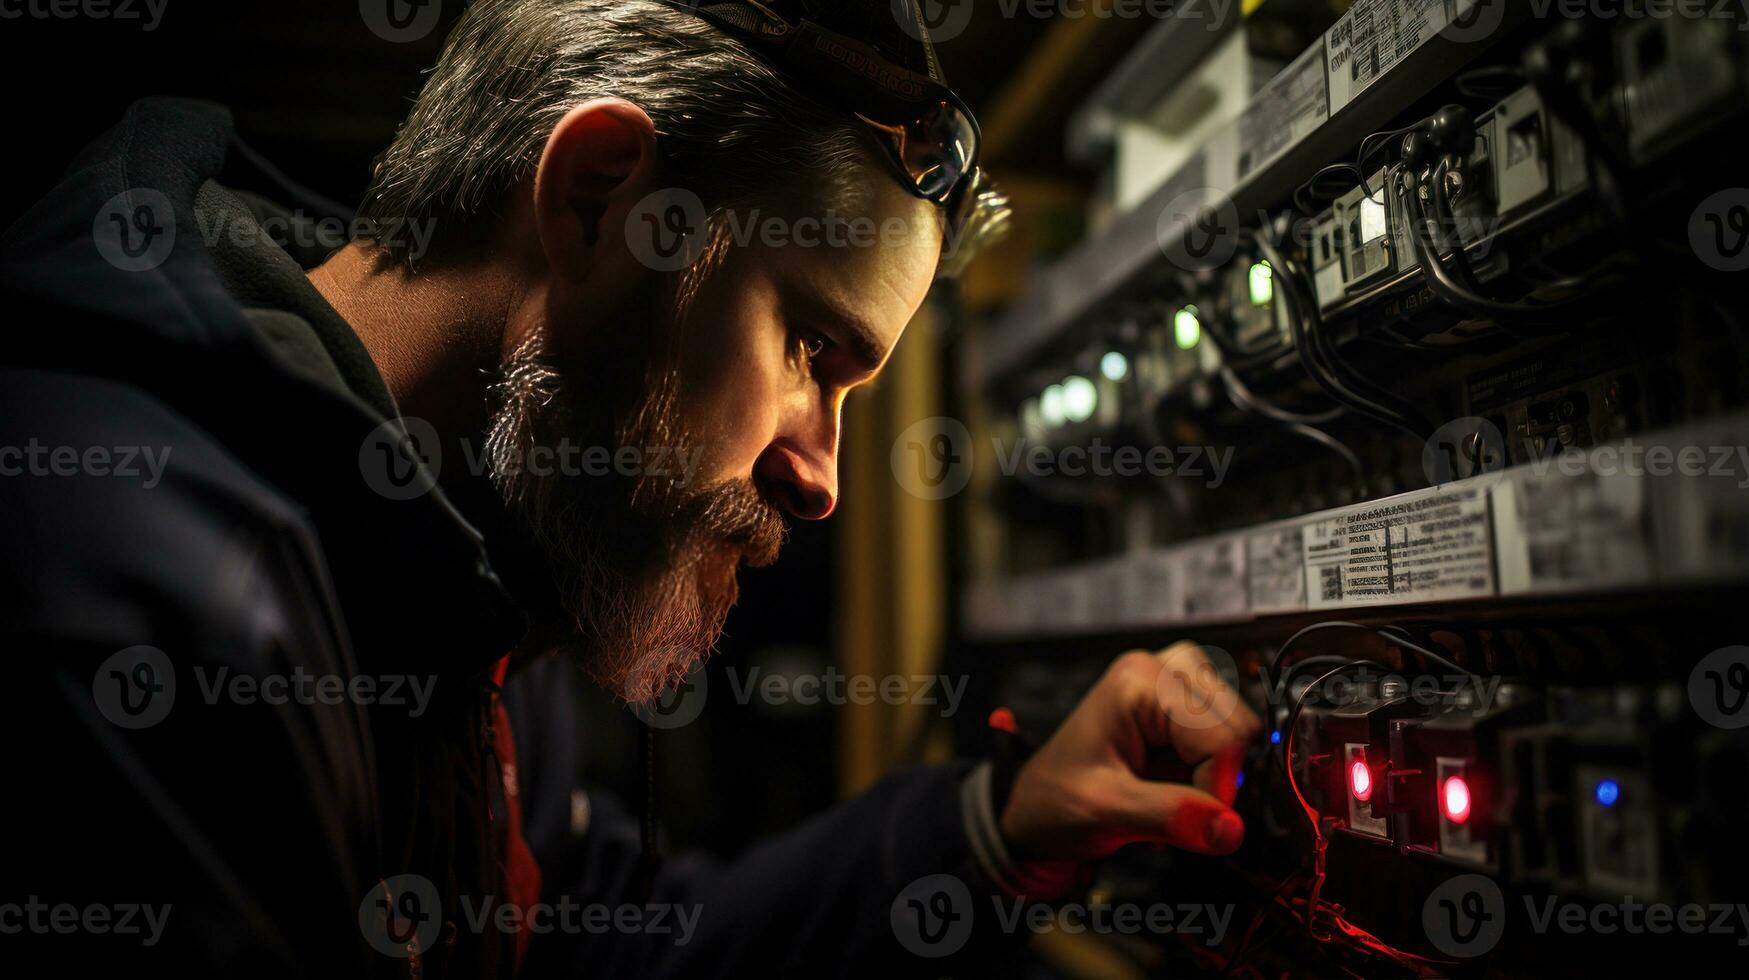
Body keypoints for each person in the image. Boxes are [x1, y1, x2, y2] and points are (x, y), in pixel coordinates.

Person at [0, 1, 1260, 975]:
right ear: (601, 196)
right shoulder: (159, 608)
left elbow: (604, 947)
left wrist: (1003, 823)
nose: (822, 477)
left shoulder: (468, 549)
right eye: (810, 352)